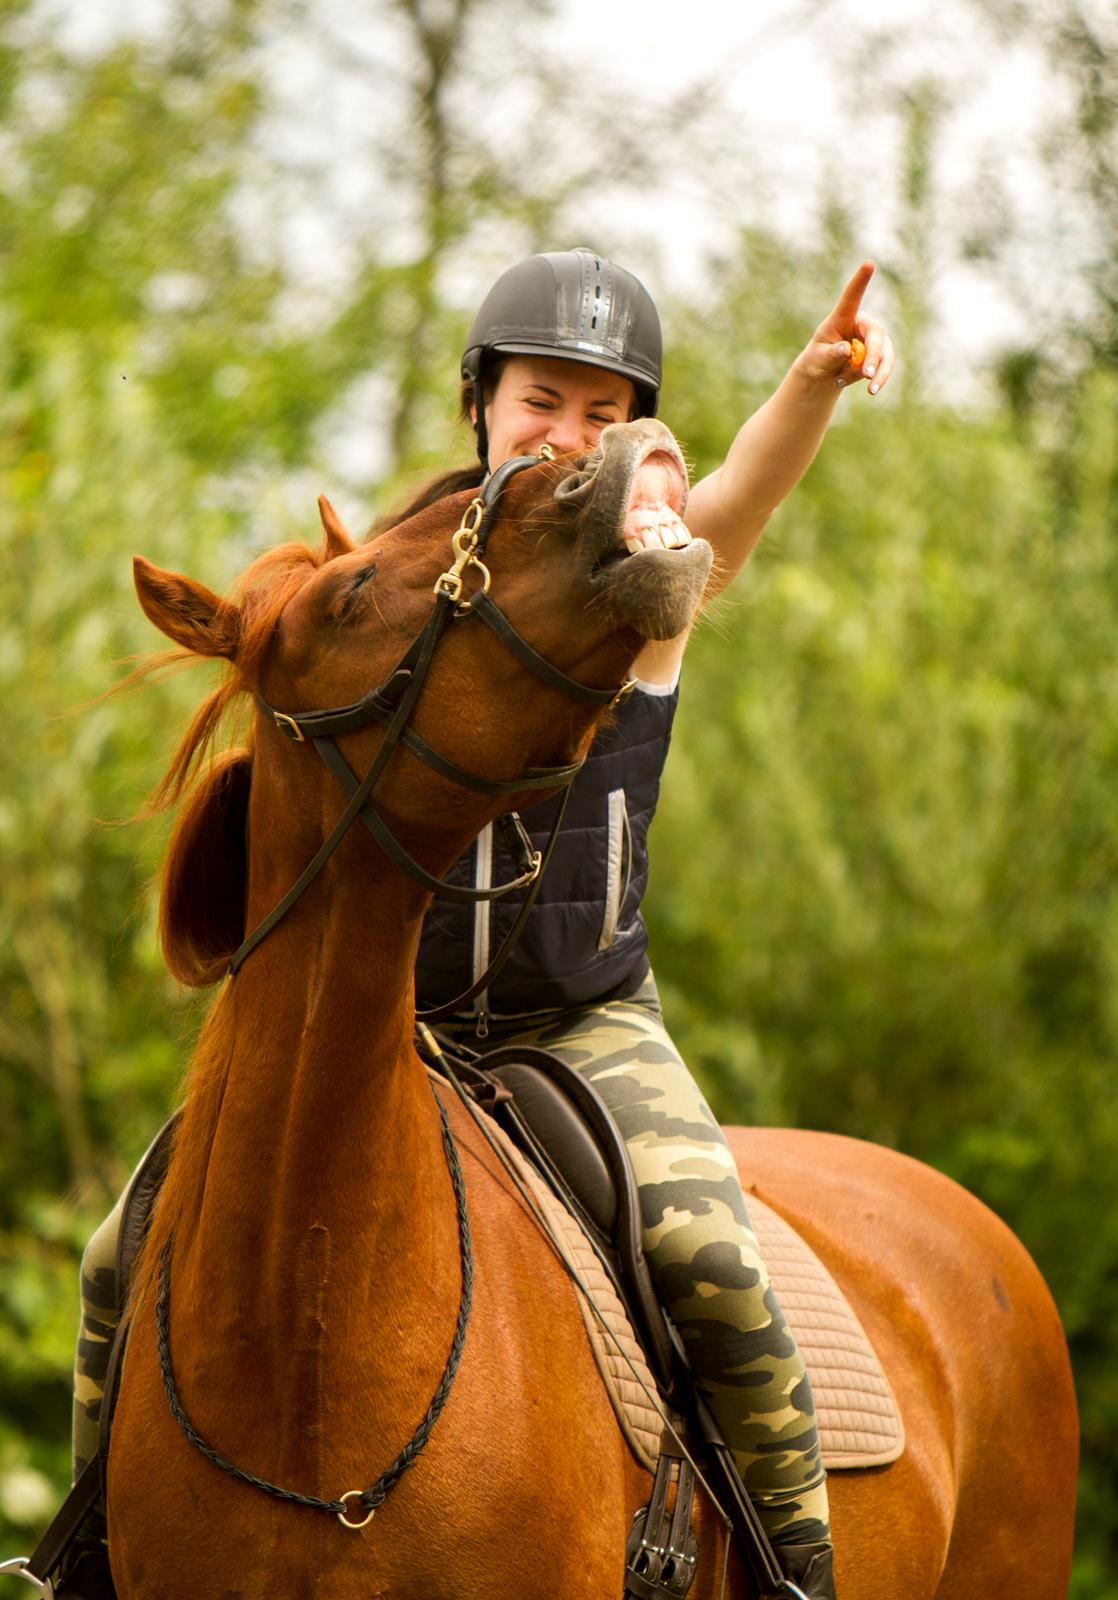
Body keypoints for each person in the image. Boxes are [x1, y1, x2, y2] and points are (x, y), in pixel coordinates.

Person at [62, 247, 893, 1600]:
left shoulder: (638, 577)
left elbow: (730, 500)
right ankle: (90, 1553)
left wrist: (808, 386)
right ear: (479, 402)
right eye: (541, 400)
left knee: (708, 1253)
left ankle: (795, 1562)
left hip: (581, 1022)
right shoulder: (416, 581)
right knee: (125, 1244)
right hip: (404, 1025)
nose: (569, 434)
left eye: (604, 414)